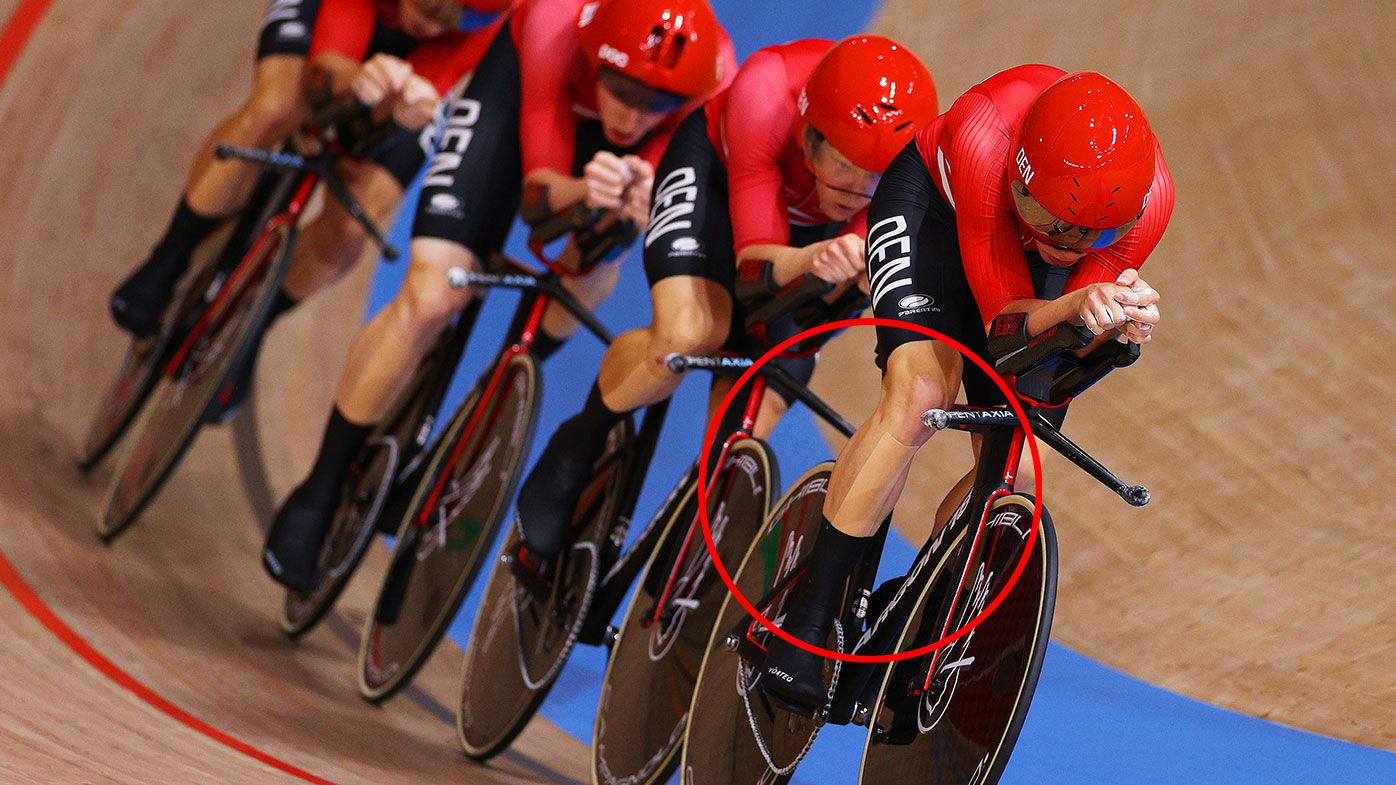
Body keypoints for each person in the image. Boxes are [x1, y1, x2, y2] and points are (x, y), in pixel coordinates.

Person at [262, 0, 737, 592]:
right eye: (620, 88)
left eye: (658, 102)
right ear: (596, 54)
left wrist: (632, 201)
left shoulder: (715, 74)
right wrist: (585, 191)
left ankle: (505, 388)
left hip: (618, 167)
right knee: (432, 295)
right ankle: (321, 486)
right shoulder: (554, 22)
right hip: (518, 105)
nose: (633, 114)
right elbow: (538, 196)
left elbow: (660, 189)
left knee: (599, 251)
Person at [759, 66, 1176, 710]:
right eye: (1054, 221)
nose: (1069, 247)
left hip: (1023, 259)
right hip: (938, 212)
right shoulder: (986, 138)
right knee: (921, 394)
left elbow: (1055, 342)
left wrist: (1116, 331)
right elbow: (1005, 329)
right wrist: (1076, 302)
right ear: (1024, 175)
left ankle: (916, 610)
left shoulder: (1144, 205)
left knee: (1020, 470)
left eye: (1093, 236)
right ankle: (808, 620)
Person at [512, 34, 939, 567]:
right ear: (808, 136)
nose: (855, 189)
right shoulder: (765, 92)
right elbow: (754, 267)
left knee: (776, 381)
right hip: (715, 184)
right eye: (844, 166)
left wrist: (851, 273)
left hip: (812, 239)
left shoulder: (908, 172)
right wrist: (815, 262)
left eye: (877, 177)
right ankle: (577, 445)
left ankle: (688, 533)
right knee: (688, 335)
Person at [108, 0, 512, 340]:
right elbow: (326, 70)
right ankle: (168, 259)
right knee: (275, 111)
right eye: (427, 6)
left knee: (354, 223)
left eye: (453, 18)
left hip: (408, 68)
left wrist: (398, 109)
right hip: (349, 12)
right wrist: (351, 83)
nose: (430, 26)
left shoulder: (489, 14)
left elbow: (422, 87)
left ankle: (248, 331)